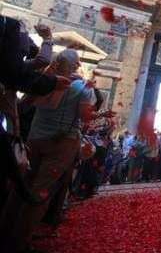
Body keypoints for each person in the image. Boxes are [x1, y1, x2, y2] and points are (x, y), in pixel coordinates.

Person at [0, 49, 94, 253]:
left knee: (21, 185)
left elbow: (23, 105)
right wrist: (94, 110)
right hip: (62, 142)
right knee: (41, 191)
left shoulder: (45, 80)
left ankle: (4, 231)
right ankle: (19, 241)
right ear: (76, 65)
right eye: (78, 62)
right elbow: (85, 116)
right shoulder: (81, 87)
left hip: (35, 138)